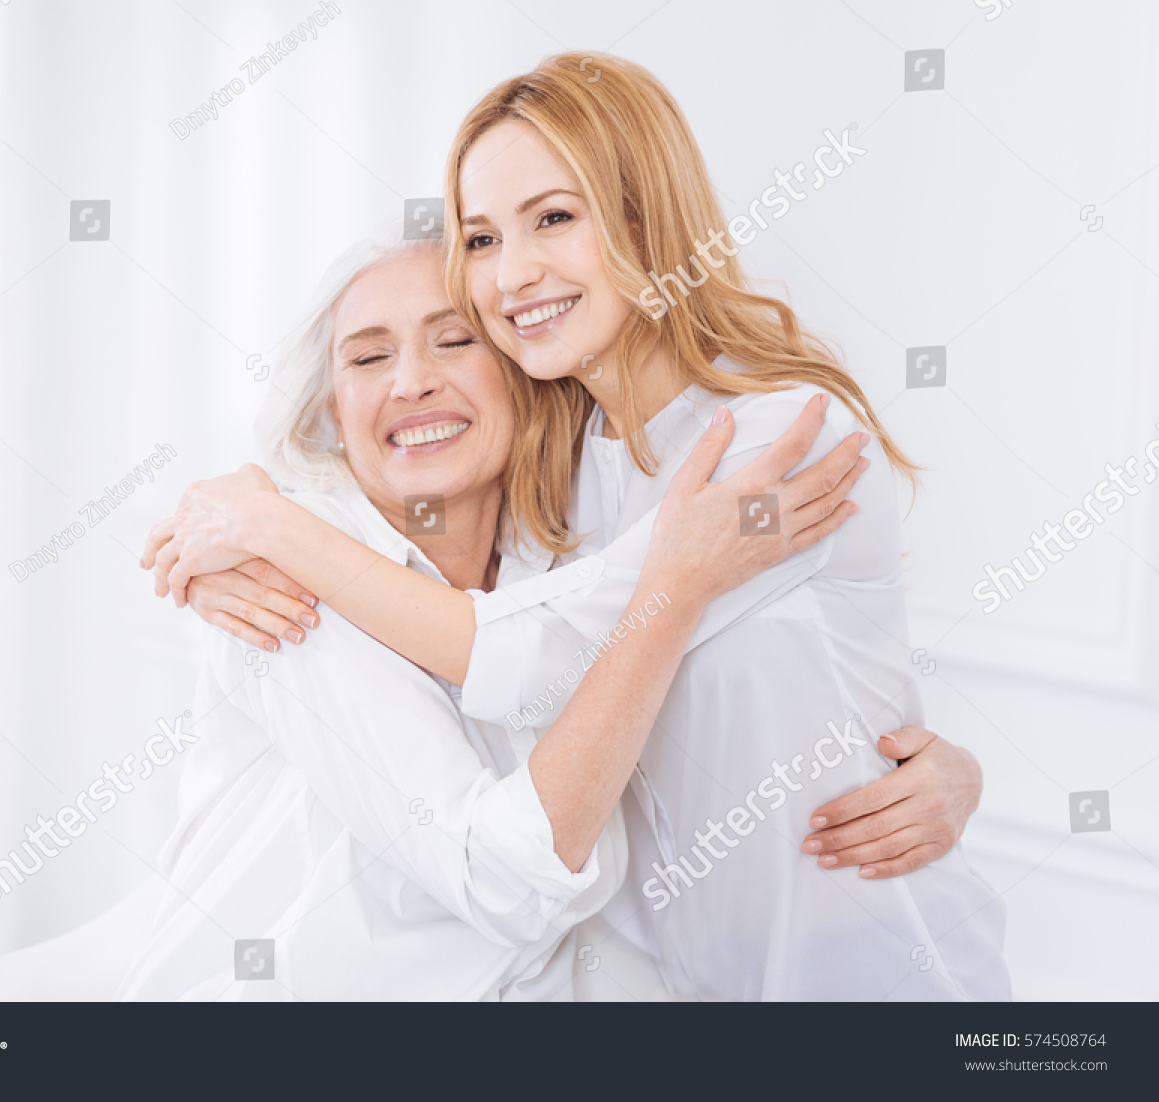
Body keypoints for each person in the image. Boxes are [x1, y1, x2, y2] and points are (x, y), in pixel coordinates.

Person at [146, 53, 1008, 1000]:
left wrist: (272, 529)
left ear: (647, 218)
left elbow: (539, 655)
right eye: (480, 239)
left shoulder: (781, 441)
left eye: (554, 216)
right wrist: (236, 528)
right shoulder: (570, 476)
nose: (514, 273)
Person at [114, 227, 868, 999]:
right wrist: (669, 597)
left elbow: (708, 733)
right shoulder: (282, 586)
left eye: (454, 340)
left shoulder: (566, 547)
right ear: (334, 412)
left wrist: (932, 769)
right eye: (369, 358)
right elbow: (503, 879)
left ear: (522, 377)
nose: (411, 382)